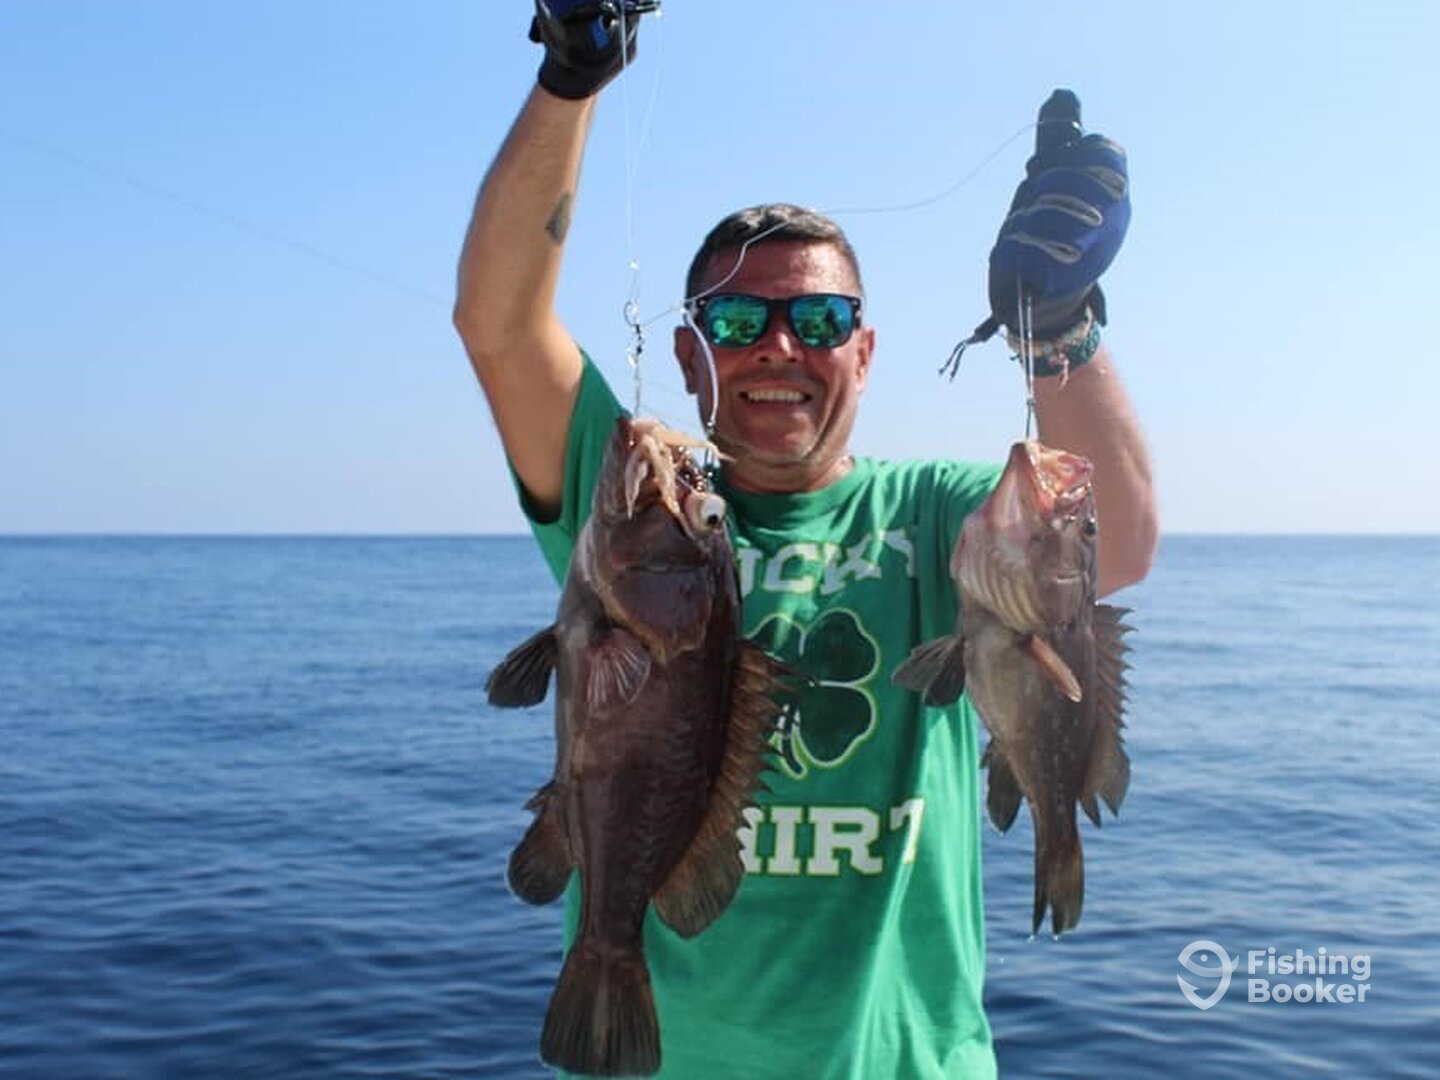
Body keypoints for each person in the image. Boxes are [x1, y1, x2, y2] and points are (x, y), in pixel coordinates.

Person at [455, 4, 1158, 1077]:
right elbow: (500, 324)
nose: (779, 346)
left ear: (864, 354)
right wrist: (573, 74)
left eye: (820, 322)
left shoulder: (938, 512)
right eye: (738, 323)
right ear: (689, 357)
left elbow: (1122, 546)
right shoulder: (635, 504)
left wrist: (1057, 322)